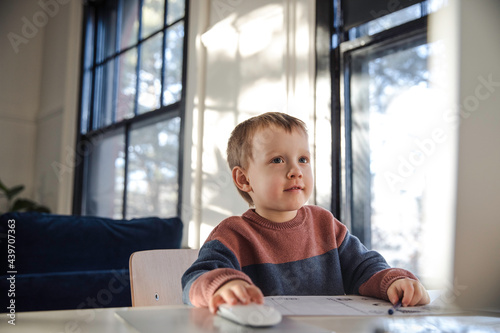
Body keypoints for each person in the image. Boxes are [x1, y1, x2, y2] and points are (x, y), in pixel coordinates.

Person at [182, 112, 430, 314]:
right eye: (278, 160)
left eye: (303, 159)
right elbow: (195, 278)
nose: (295, 171)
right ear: (244, 179)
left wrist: (394, 281)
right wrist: (223, 285)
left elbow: (364, 268)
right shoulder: (233, 234)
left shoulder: (325, 223)